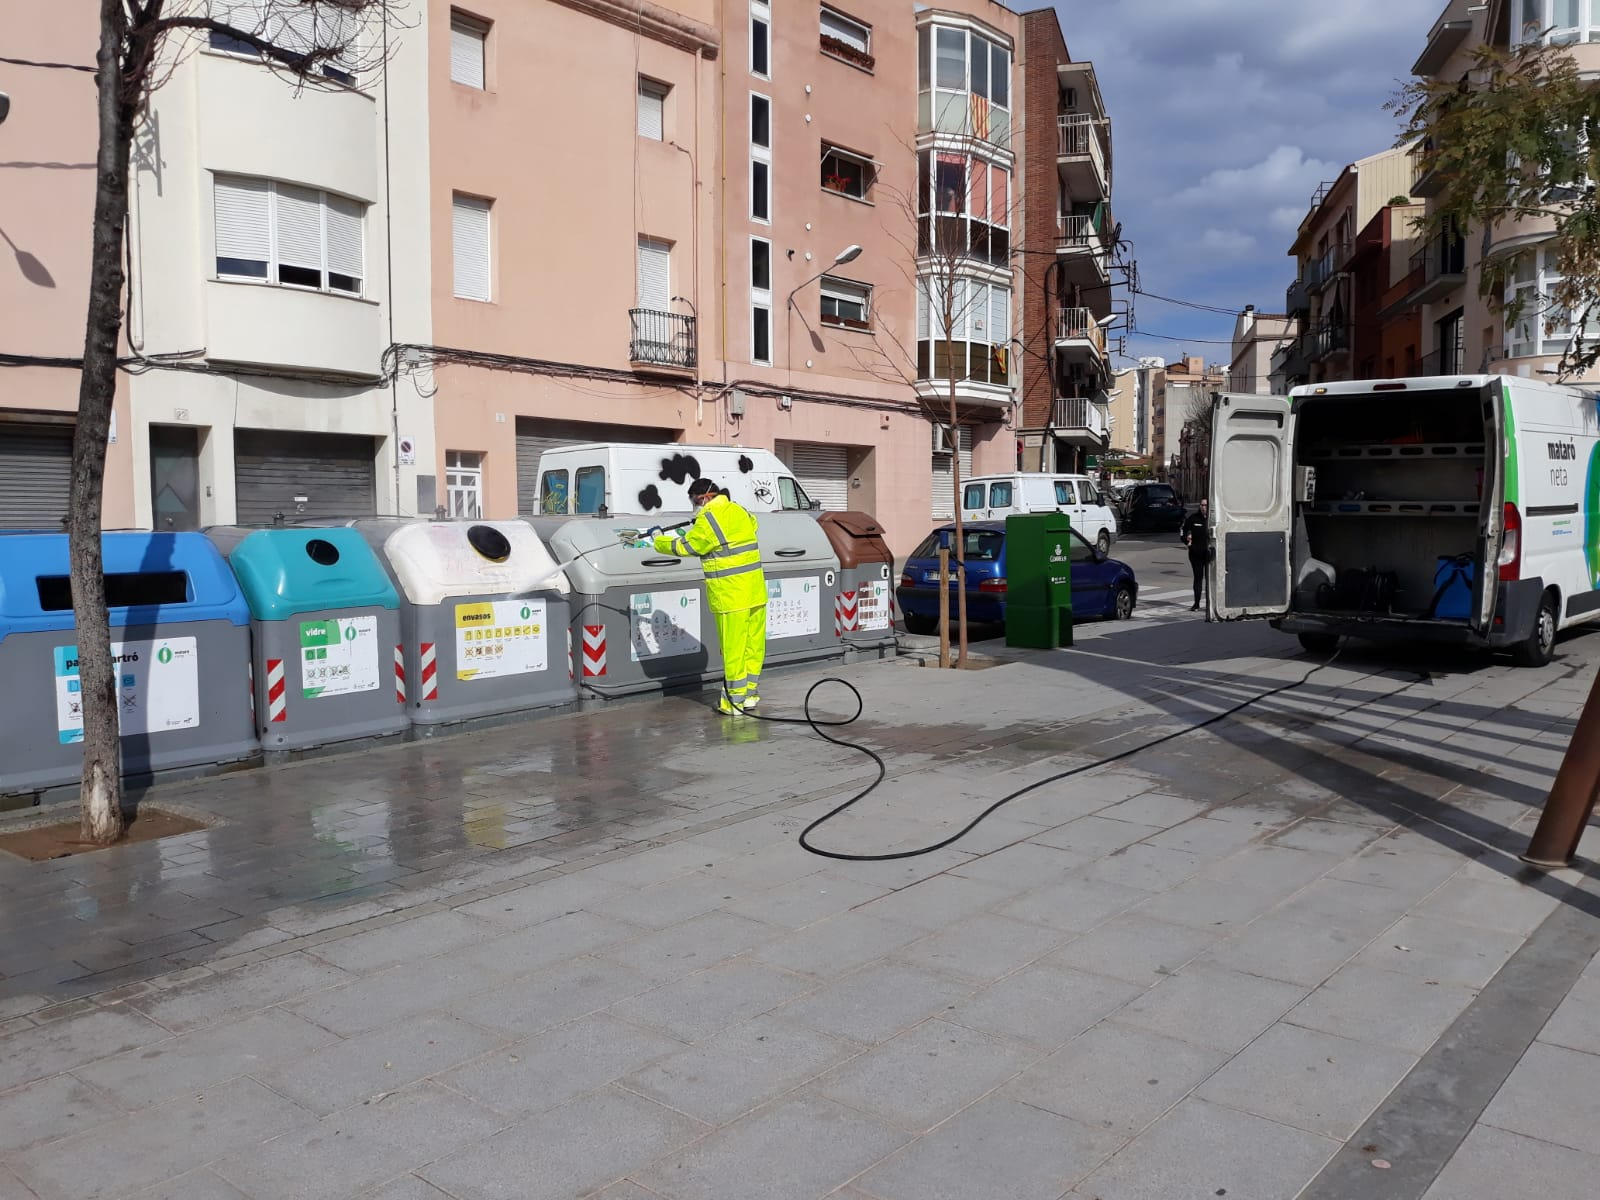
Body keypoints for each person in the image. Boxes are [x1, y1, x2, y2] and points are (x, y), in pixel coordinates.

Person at [651, 477, 768, 715]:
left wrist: (658, 540)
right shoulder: (739, 509)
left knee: (733, 649)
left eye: (695, 501)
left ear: (704, 497)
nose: (696, 506)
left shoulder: (708, 518)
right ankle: (750, 696)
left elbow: (688, 547)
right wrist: (700, 526)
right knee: (753, 646)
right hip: (755, 591)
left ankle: (733, 703)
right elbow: (749, 527)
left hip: (730, 595)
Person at [1181, 498, 1210, 612]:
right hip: (1196, 554)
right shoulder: (1193, 519)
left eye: (1206, 505)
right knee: (1198, 579)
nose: (1204, 507)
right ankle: (1196, 603)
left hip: (1209, 554)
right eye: (1202, 505)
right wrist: (1187, 542)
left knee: (1210, 579)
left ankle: (1210, 604)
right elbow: (1183, 532)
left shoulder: (1213, 519)